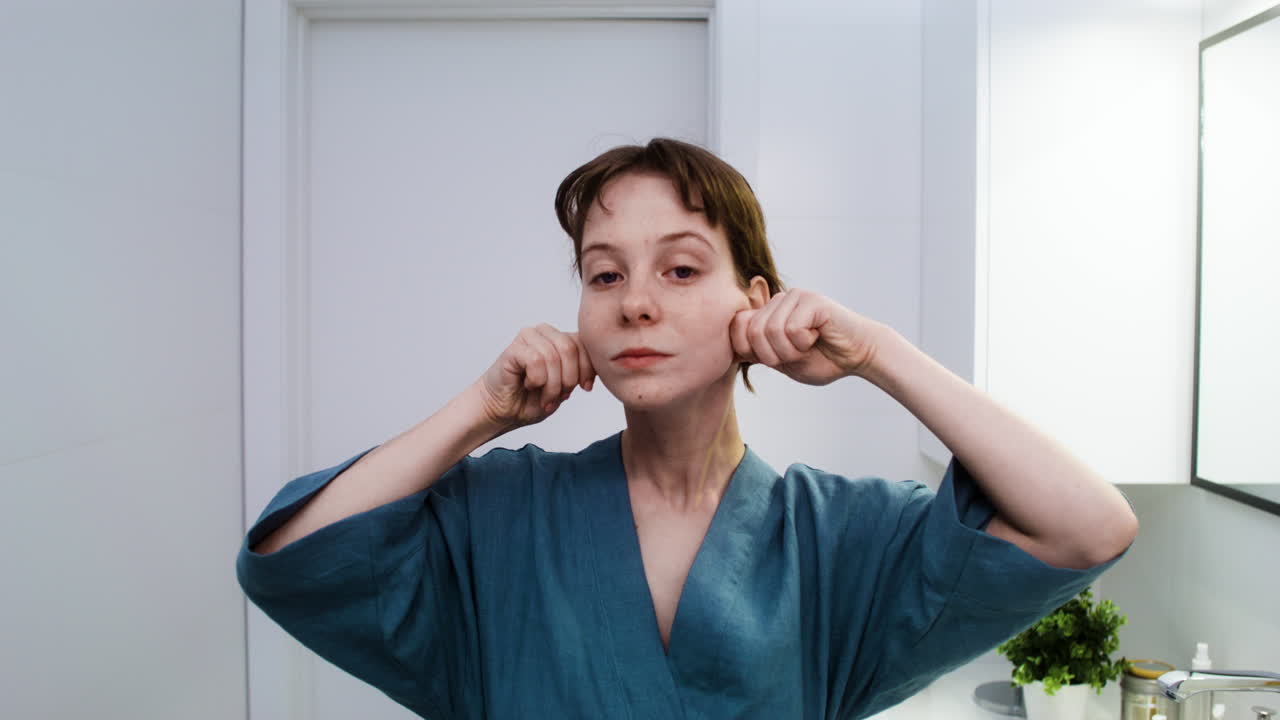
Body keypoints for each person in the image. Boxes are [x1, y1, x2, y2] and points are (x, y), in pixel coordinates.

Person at [236, 137, 1138, 719]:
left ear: (755, 302)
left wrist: (879, 353)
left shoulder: (838, 539)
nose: (635, 304)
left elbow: (1088, 526)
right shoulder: (501, 515)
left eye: (678, 270)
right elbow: (292, 563)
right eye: (602, 276)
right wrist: (480, 410)